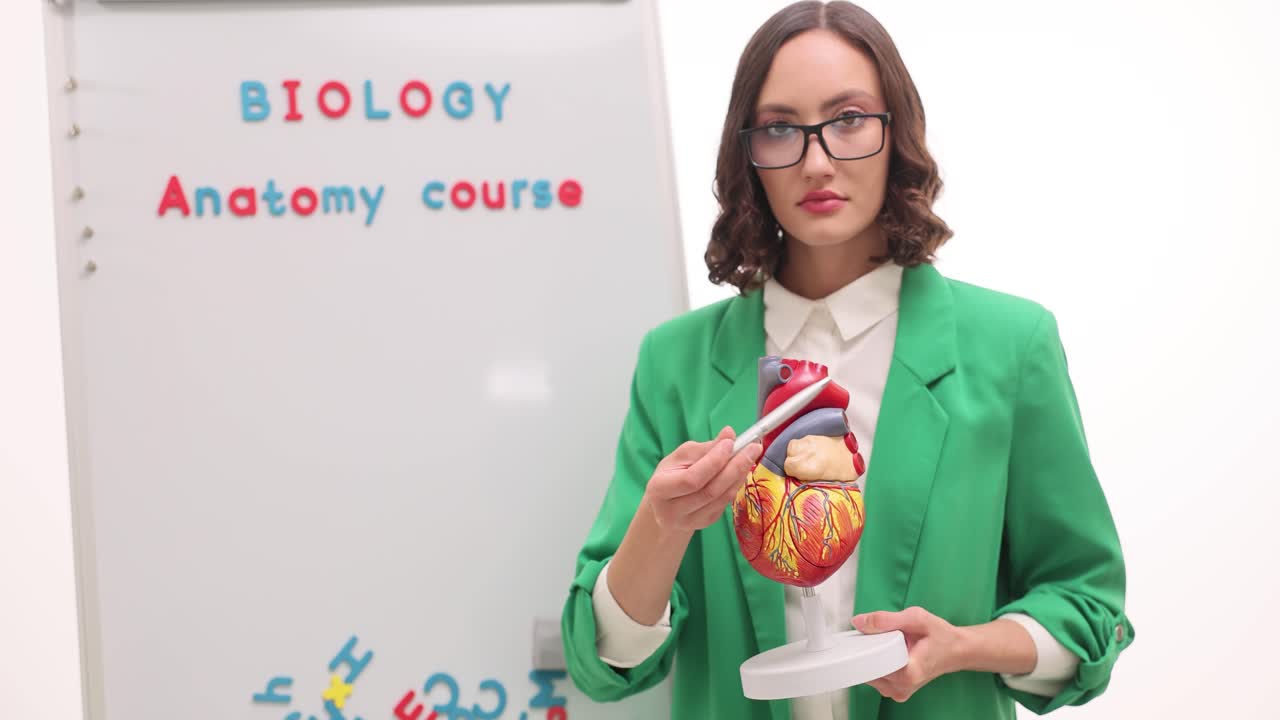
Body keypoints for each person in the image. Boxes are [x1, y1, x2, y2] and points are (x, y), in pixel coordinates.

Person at [560, 2, 1134, 718]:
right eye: (779, 128)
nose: (817, 161)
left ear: (898, 134)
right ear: (748, 155)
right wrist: (664, 525)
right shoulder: (675, 362)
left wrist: (966, 646)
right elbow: (602, 656)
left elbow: (1088, 605)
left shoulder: (1011, 346)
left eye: (850, 119)